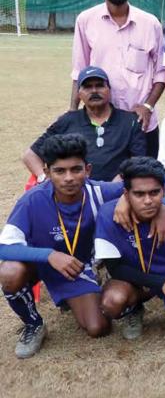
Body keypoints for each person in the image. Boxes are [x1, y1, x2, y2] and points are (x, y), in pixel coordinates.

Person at [0, 135, 117, 358]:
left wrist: (164, 207)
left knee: (98, 328)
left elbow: (156, 180)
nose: (69, 178)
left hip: (75, 269)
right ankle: (33, 324)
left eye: (76, 169)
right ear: (47, 172)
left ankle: (72, 295)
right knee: (9, 271)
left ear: (88, 169)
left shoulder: (100, 192)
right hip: (39, 264)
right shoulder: (32, 200)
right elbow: (3, 247)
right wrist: (50, 255)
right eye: (60, 171)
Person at [95, 157, 165, 345]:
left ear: (164, 190)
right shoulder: (108, 214)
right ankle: (134, 307)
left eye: (154, 193)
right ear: (125, 194)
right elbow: (115, 268)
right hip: (133, 276)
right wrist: (161, 283)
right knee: (112, 302)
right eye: (139, 194)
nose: (148, 201)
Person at [71, 0, 165, 157]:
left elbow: (161, 74)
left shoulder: (150, 24)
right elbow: (79, 71)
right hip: (102, 122)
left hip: (141, 123)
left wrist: (147, 106)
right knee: (104, 182)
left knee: (145, 181)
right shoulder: (86, 20)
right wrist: (73, 112)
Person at [25, 66, 145, 182]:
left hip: (117, 192)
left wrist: (121, 179)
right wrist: (44, 178)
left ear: (109, 90)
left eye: (99, 86)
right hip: (76, 192)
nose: (94, 91)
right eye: (87, 87)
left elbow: (138, 161)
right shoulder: (68, 121)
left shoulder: (130, 121)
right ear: (79, 94)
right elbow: (30, 155)